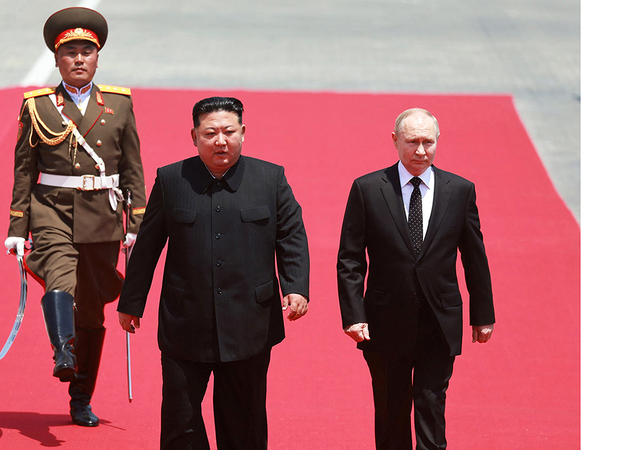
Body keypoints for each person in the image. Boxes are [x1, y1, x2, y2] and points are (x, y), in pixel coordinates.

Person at [116, 96, 310, 449]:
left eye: (229, 132)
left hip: (250, 323)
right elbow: (147, 246)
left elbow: (291, 236)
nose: (221, 141)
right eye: (210, 133)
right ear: (194, 136)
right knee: (181, 420)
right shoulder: (171, 179)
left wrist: (295, 286)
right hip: (185, 322)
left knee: (244, 422)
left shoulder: (270, 179)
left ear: (243, 133)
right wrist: (131, 302)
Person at [3, 6, 146, 427]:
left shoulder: (118, 104)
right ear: (57, 59)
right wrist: (17, 226)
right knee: (59, 276)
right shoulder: (38, 106)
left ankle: (81, 396)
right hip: (52, 210)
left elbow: (133, 167)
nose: (79, 59)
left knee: (93, 311)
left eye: (87, 51)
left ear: (97, 58)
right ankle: (62, 350)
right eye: (70, 52)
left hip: (102, 217)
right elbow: (24, 169)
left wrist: (137, 222)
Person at [336, 108, 495, 449]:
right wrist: (353, 315)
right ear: (395, 141)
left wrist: (483, 315)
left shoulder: (460, 190)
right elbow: (350, 258)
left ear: (437, 141)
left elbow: (474, 257)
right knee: (391, 408)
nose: (421, 151)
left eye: (428, 142)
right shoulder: (368, 189)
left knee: (431, 404)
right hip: (385, 321)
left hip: (439, 320)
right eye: (412, 142)